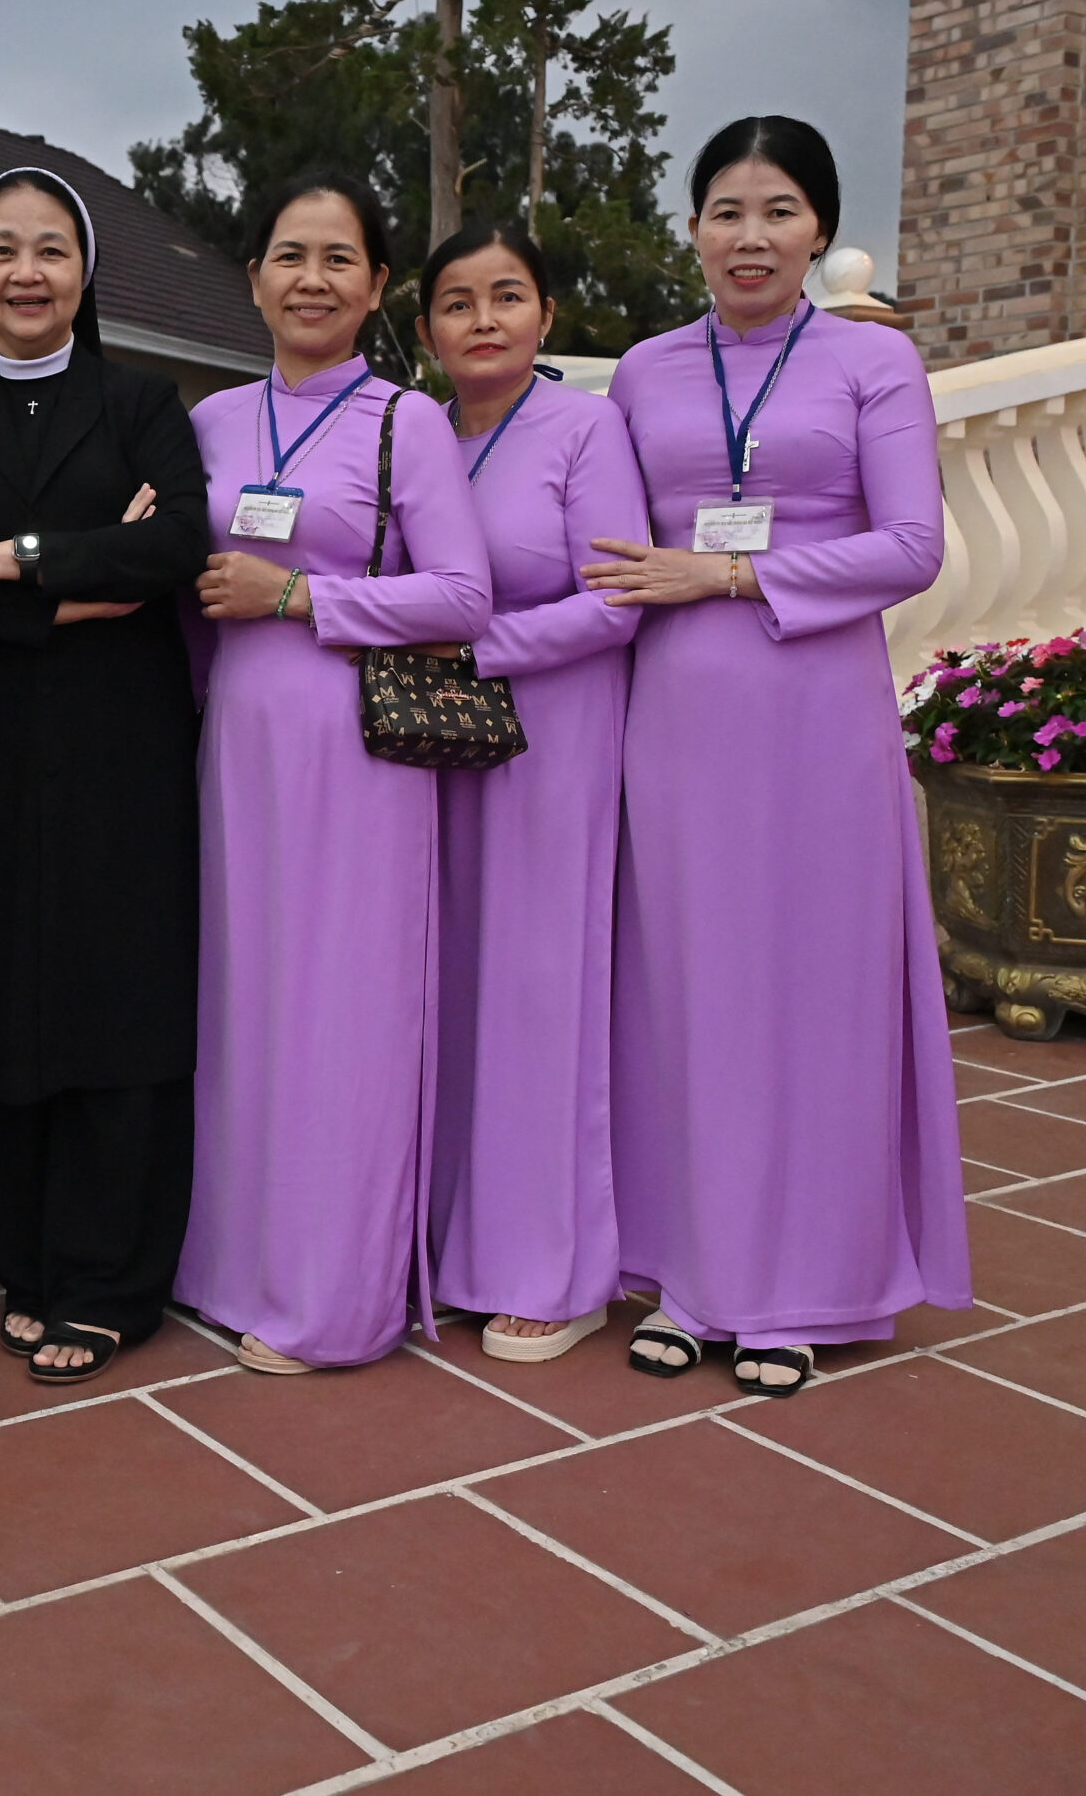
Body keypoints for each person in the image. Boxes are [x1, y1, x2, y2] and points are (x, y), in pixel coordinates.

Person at [584, 116, 970, 1398]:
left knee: (813, 995)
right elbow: (601, 542)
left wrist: (730, 573)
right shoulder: (642, 372)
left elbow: (911, 545)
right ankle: (691, 1274)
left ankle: (804, 1283)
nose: (750, 237)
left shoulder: (872, 360)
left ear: (820, 231)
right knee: (686, 990)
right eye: (726, 211)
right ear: (692, 228)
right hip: (675, 719)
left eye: (779, 210)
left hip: (816, 717)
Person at [0, 168, 210, 1384]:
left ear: (85, 271)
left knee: (116, 1005)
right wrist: (84, 579)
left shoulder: (142, 402)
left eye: (51, 249)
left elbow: (173, 546)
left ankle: (111, 1280)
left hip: (123, 758)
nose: (26, 272)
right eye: (3, 249)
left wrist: (4, 557)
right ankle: (24, 1263)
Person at [175, 175, 493, 1375]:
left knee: (344, 1012)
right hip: (236, 742)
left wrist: (301, 595)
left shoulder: (405, 420)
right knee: (243, 1001)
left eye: (339, 259)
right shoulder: (210, 420)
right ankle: (229, 1265)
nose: (312, 279)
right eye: (289, 255)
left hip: (357, 745)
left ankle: (333, 1298)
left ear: (377, 286)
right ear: (253, 276)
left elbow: (463, 597)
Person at [414, 222, 644, 1364]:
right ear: (426, 331)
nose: (484, 319)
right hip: (429, 748)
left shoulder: (584, 427)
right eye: (458, 302)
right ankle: (449, 1241)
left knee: (541, 990)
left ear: (547, 315)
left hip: (552, 734)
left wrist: (479, 648)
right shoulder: (417, 434)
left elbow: (617, 599)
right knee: (449, 985)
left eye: (507, 296)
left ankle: (553, 1265)